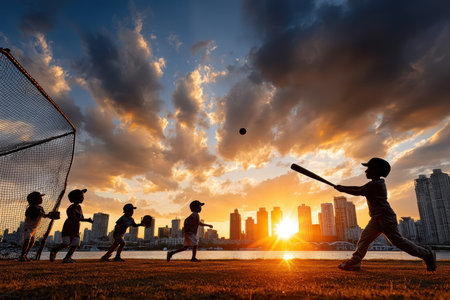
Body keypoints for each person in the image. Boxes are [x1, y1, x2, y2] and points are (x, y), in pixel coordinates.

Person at [335, 157, 437, 272]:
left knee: (398, 242)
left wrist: (342, 188)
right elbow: (360, 189)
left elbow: (359, 190)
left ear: (376, 171)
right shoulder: (374, 184)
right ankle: (355, 261)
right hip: (376, 218)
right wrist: (342, 188)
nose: (366, 171)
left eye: (369, 168)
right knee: (364, 239)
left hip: (385, 217)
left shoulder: (376, 184)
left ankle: (427, 254)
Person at [50, 189, 92, 263]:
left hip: (76, 227)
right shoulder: (71, 208)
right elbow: (74, 218)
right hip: (69, 226)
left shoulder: (79, 207)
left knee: (75, 243)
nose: (83, 198)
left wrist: (86, 220)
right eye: (81, 196)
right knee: (66, 243)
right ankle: (54, 250)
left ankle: (67, 257)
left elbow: (81, 217)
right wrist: (86, 220)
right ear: (75, 198)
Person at [19, 192, 50, 261]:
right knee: (27, 239)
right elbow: (33, 215)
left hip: (34, 229)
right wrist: (40, 213)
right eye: (39, 198)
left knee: (32, 242)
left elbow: (44, 215)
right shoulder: (30, 208)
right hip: (28, 227)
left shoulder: (40, 208)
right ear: (34, 200)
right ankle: (22, 255)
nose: (41, 199)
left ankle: (25, 255)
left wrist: (49, 215)